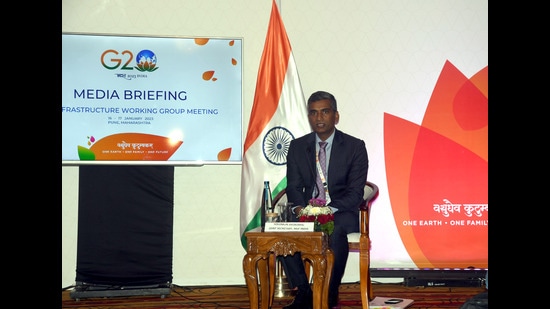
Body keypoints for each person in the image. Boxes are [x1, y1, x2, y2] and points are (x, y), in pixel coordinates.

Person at [281, 90, 369, 309]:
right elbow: (292, 186)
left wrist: (329, 210)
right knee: (282, 231)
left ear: (335, 116)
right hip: (307, 213)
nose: (319, 118)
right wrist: (301, 209)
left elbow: (355, 192)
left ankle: (330, 292)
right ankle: (303, 292)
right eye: (313, 113)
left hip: (340, 213)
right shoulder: (298, 146)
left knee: (335, 230)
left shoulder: (355, 147)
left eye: (324, 112)